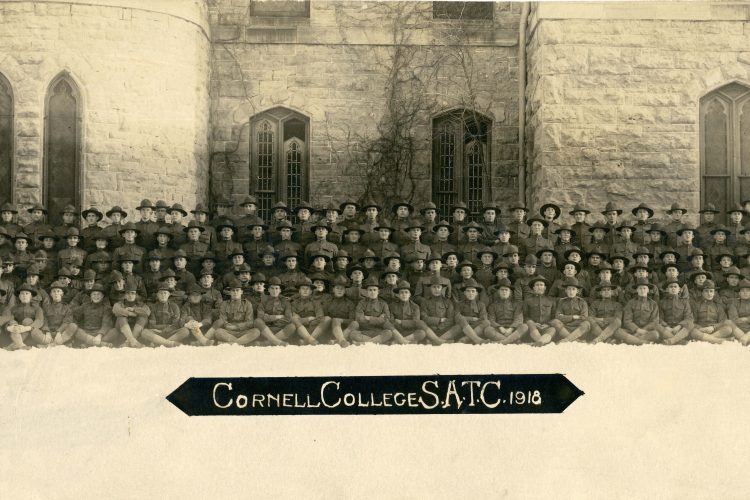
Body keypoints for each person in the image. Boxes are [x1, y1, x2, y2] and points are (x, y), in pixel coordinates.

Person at [211, 278, 260, 345]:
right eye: (233, 290)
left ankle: (232, 344)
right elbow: (223, 320)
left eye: (237, 290)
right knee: (218, 332)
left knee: (256, 331)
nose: (235, 292)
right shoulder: (224, 304)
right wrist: (229, 326)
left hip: (244, 331)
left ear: (241, 292)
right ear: (230, 292)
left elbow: (250, 322)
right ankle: (243, 343)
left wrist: (237, 327)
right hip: (229, 332)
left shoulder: (247, 304)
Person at [351, 276, 394, 344]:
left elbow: (387, 319)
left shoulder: (383, 303)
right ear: (366, 291)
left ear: (378, 291)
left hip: (379, 331)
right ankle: (376, 342)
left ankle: (365, 343)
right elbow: (359, 318)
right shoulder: (362, 303)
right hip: (364, 331)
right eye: (370, 290)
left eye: (374, 290)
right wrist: (379, 319)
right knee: (353, 334)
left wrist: (369, 318)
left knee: (389, 333)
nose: (372, 292)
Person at [617, 279, 659, 345]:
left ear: (648, 290)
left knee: (655, 334)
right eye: (640, 288)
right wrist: (637, 330)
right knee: (618, 331)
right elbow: (627, 321)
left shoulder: (653, 304)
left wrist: (643, 330)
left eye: (644, 288)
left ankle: (630, 340)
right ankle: (641, 342)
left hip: (646, 331)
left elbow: (654, 321)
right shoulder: (631, 303)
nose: (642, 290)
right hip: (631, 330)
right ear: (637, 290)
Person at [485, 278, 527, 343]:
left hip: (513, 331)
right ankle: (512, 341)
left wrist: (510, 329)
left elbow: (518, 319)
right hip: (498, 331)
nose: (504, 292)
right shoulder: (492, 306)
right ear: (498, 292)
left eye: (506, 290)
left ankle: (502, 342)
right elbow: (491, 319)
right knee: (487, 330)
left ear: (510, 292)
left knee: (524, 326)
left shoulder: (516, 304)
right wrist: (500, 327)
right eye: (502, 290)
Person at [5, 284, 45, 349]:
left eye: (27, 293)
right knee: (12, 322)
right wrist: (13, 326)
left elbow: (39, 321)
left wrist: (26, 328)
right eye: (22, 294)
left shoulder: (37, 308)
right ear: (19, 296)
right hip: (16, 334)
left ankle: (14, 345)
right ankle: (21, 345)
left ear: (31, 296)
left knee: (27, 320)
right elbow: (9, 320)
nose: (24, 296)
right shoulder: (14, 308)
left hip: (31, 335)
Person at [388, 280, 427, 344]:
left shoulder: (415, 307)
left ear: (410, 294)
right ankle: (407, 342)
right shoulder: (392, 305)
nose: (404, 294)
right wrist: (397, 324)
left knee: (422, 333)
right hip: (397, 331)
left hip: (411, 332)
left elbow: (416, 322)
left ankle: (401, 341)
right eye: (401, 292)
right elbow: (391, 321)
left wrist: (401, 322)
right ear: (398, 295)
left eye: (406, 292)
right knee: (390, 331)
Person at [523, 276, 558, 345]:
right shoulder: (528, 300)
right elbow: (525, 316)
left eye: (541, 285)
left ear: (545, 288)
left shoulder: (551, 300)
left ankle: (540, 342)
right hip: (533, 328)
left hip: (546, 327)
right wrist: (533, 323)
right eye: (537, 285)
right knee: (530, 324)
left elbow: (554, 316)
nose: (539, 287)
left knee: (553, 329)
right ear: (533, 288)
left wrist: (548, 324)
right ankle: (542, 341)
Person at [656, 278, 693, 345]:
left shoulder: (684, 302)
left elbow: (688, 317)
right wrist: (667, 327)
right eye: (671, 287)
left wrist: (679, 326)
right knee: (656, 325)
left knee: (690, 324)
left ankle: (671, 341)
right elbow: (659, 318)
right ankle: (679, 340)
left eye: (675, 286)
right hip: (667, 329)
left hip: (680, 328)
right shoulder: (662, 302)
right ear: (667, 289)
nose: (673, 288)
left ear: (679, 289)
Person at [289, 277, 325, 345]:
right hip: (299, 329)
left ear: (311, 291)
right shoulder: (294, 303)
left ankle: (306, 340)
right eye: (303, 288)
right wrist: (308, 319)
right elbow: (293, 317)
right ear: (299, 291)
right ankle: (311, 340)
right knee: (293, 319)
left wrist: (301, 320)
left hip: (313, 328)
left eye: (307, 289)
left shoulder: (316, 302)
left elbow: (320, 317)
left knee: (327, 319)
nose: (305, 291)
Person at [43, 281, 78, 346]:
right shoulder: (46, 307)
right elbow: (45, 321)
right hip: (49, 333)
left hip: (61, 333)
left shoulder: (67, 308)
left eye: (58, 291)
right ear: (51, 294)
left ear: (62, 293)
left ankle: (55, 343)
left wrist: (59, 332)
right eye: (54, 291)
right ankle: (55, 342)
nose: (56, 293)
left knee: (73, 326)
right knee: (35, 331)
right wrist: (47, 332)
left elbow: (67, 322)